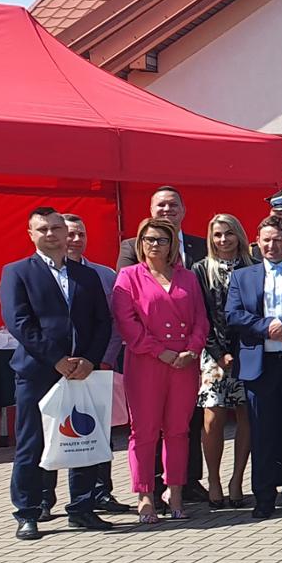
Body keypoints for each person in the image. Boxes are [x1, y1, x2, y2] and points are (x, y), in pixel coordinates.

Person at [1, 208, 115, 539]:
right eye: (42, 229)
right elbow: (20, 322)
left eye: (56, 228)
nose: (50, 234)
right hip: (38, 372)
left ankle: (82, 508)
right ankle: (27, 511)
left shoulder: (87, 276)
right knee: (31, 443)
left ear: (66, 234)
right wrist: (57, 360)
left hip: (83, 372)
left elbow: (102, 322)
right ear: (31, 234)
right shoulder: (17, 272)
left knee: (84, 438)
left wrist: (90, 360)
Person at [113, 217, 211, 523]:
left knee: (178, 431)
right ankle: (145, 495)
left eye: (162, 240)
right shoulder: (129, 277)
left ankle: (176, 491)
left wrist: (192, 350)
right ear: (140, 243)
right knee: (144, 431)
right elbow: (128, 324)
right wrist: (162, 352)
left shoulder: (188, 277)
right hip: (147, 364)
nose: (155, 245)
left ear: (173, 245)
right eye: (149, 239)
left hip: (183, 364)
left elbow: (201, 319)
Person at [224, 215, 282, 519]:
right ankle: (263, 499)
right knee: (262, 435)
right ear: (256, 242)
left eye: (278, 239)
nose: (271, 245)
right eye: (266, 239)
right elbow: (234, 315)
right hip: (259, 365)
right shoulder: (243, 276)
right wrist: (267, 327)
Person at [59, 213, 132, 516]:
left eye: (81, 234)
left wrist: (103, 359)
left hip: (97, 366)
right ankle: (43, 500)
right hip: (57, 369)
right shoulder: (40, 274)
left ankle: (101, 493)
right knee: (53, 433)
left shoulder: (104, 275)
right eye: (71, 234)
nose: (76, 240)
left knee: (98, 433)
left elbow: (114, 323)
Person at [190, 214, 253, 509]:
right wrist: (219, 353)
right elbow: (199, 316)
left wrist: (239, 351)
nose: (223, 239)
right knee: (212, 418)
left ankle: (237, 479)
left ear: (239, 235)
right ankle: (214, 480)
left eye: (229, 233)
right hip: (213, 354)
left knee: (246, 415)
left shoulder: (252, 267)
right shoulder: (201, 269)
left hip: (248, 351)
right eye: (217, 234)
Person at [116, 186, 209, 269]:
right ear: (151, 210)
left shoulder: (203, 246)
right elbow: (125, 284)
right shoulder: (132, 246)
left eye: (173, 205)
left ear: (183, 210)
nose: (167, 209)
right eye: (161, 205)